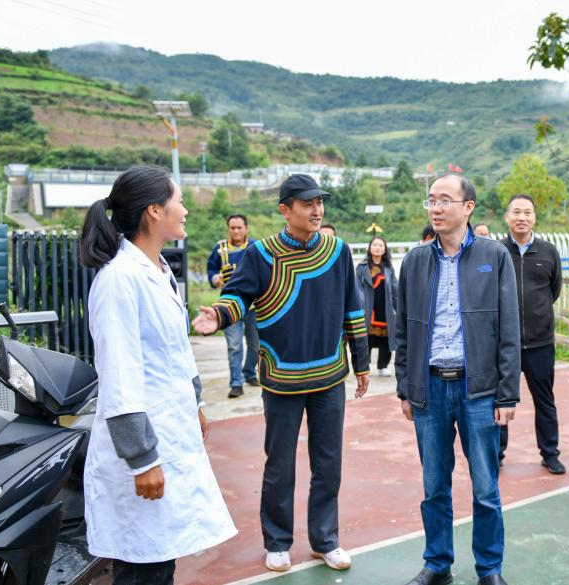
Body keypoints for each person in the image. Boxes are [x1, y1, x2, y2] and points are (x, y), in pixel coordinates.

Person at [192, 174, 371, 573]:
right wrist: (219, 315)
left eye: (319, 203)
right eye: (307, 204)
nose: (316, 210)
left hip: (330, 375)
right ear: (285, 210)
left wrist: (361, 363)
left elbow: (353, 308)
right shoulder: (261, 254)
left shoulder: (338, 251)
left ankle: (326, 539)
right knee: (279, 464)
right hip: (281, 377)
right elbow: (238, 296)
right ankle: (277, 541)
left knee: (328, 463)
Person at [81, 165, 236, 585]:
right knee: (143, 566)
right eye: (179, 201)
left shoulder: (158, 271)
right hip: (144, 447)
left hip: (168, 432)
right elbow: (120, 374)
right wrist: (141, 458)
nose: (185, 210)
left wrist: (196, 402)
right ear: (154, 211)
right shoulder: (119, 280)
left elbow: (175, 352)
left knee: (161, 560)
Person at [395, 173, 520, 585]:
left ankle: (490, 569)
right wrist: (405, 387)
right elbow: (403, 330)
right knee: (434, 486)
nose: (436, 207)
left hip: (478, 390)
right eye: (431, 200)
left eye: (445, 199)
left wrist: (507, 394)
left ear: (468, 207)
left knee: (485, 487)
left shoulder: (494, 256)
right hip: (429, 389)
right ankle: (437, 563)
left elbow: (509, 327)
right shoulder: (415, 261)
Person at [499, 194, 564, 473]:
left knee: (545, 401)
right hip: (504, 345)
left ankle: (550, 453)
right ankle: (496, 453)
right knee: (500, 401)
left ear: (534, 217)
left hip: (540, 344)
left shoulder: (548, 251)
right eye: (516, 212)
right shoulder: (497, 251)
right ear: (507, 217)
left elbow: (554, 290)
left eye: (527, 212)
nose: (521, 217)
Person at [206, 214, 259, 398]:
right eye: (232, 228)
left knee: (256, 346)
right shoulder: (220, 248)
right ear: (228, 229)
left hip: (254, 305)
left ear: (246, 228)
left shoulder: (255, 247)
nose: (236, 231)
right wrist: (215, 278)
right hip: (229, 305)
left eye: (239, 228)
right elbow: (211, 269)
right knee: (234, 346)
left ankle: (249, 372)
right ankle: (236, 383)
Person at [357, 236, 398, 377]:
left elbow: (395, 289)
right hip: (368, 308)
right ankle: (364, 367)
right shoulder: (362, 267)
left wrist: (398, 309)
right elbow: (358, 288)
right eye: (375, 244)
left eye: (381, 245)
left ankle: (383, 366)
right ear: (369, 247)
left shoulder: (388, 268)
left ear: (385, 249)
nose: (378, 247)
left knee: (386, 339)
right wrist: (361, 306)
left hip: (385, 308)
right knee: (366, 338)